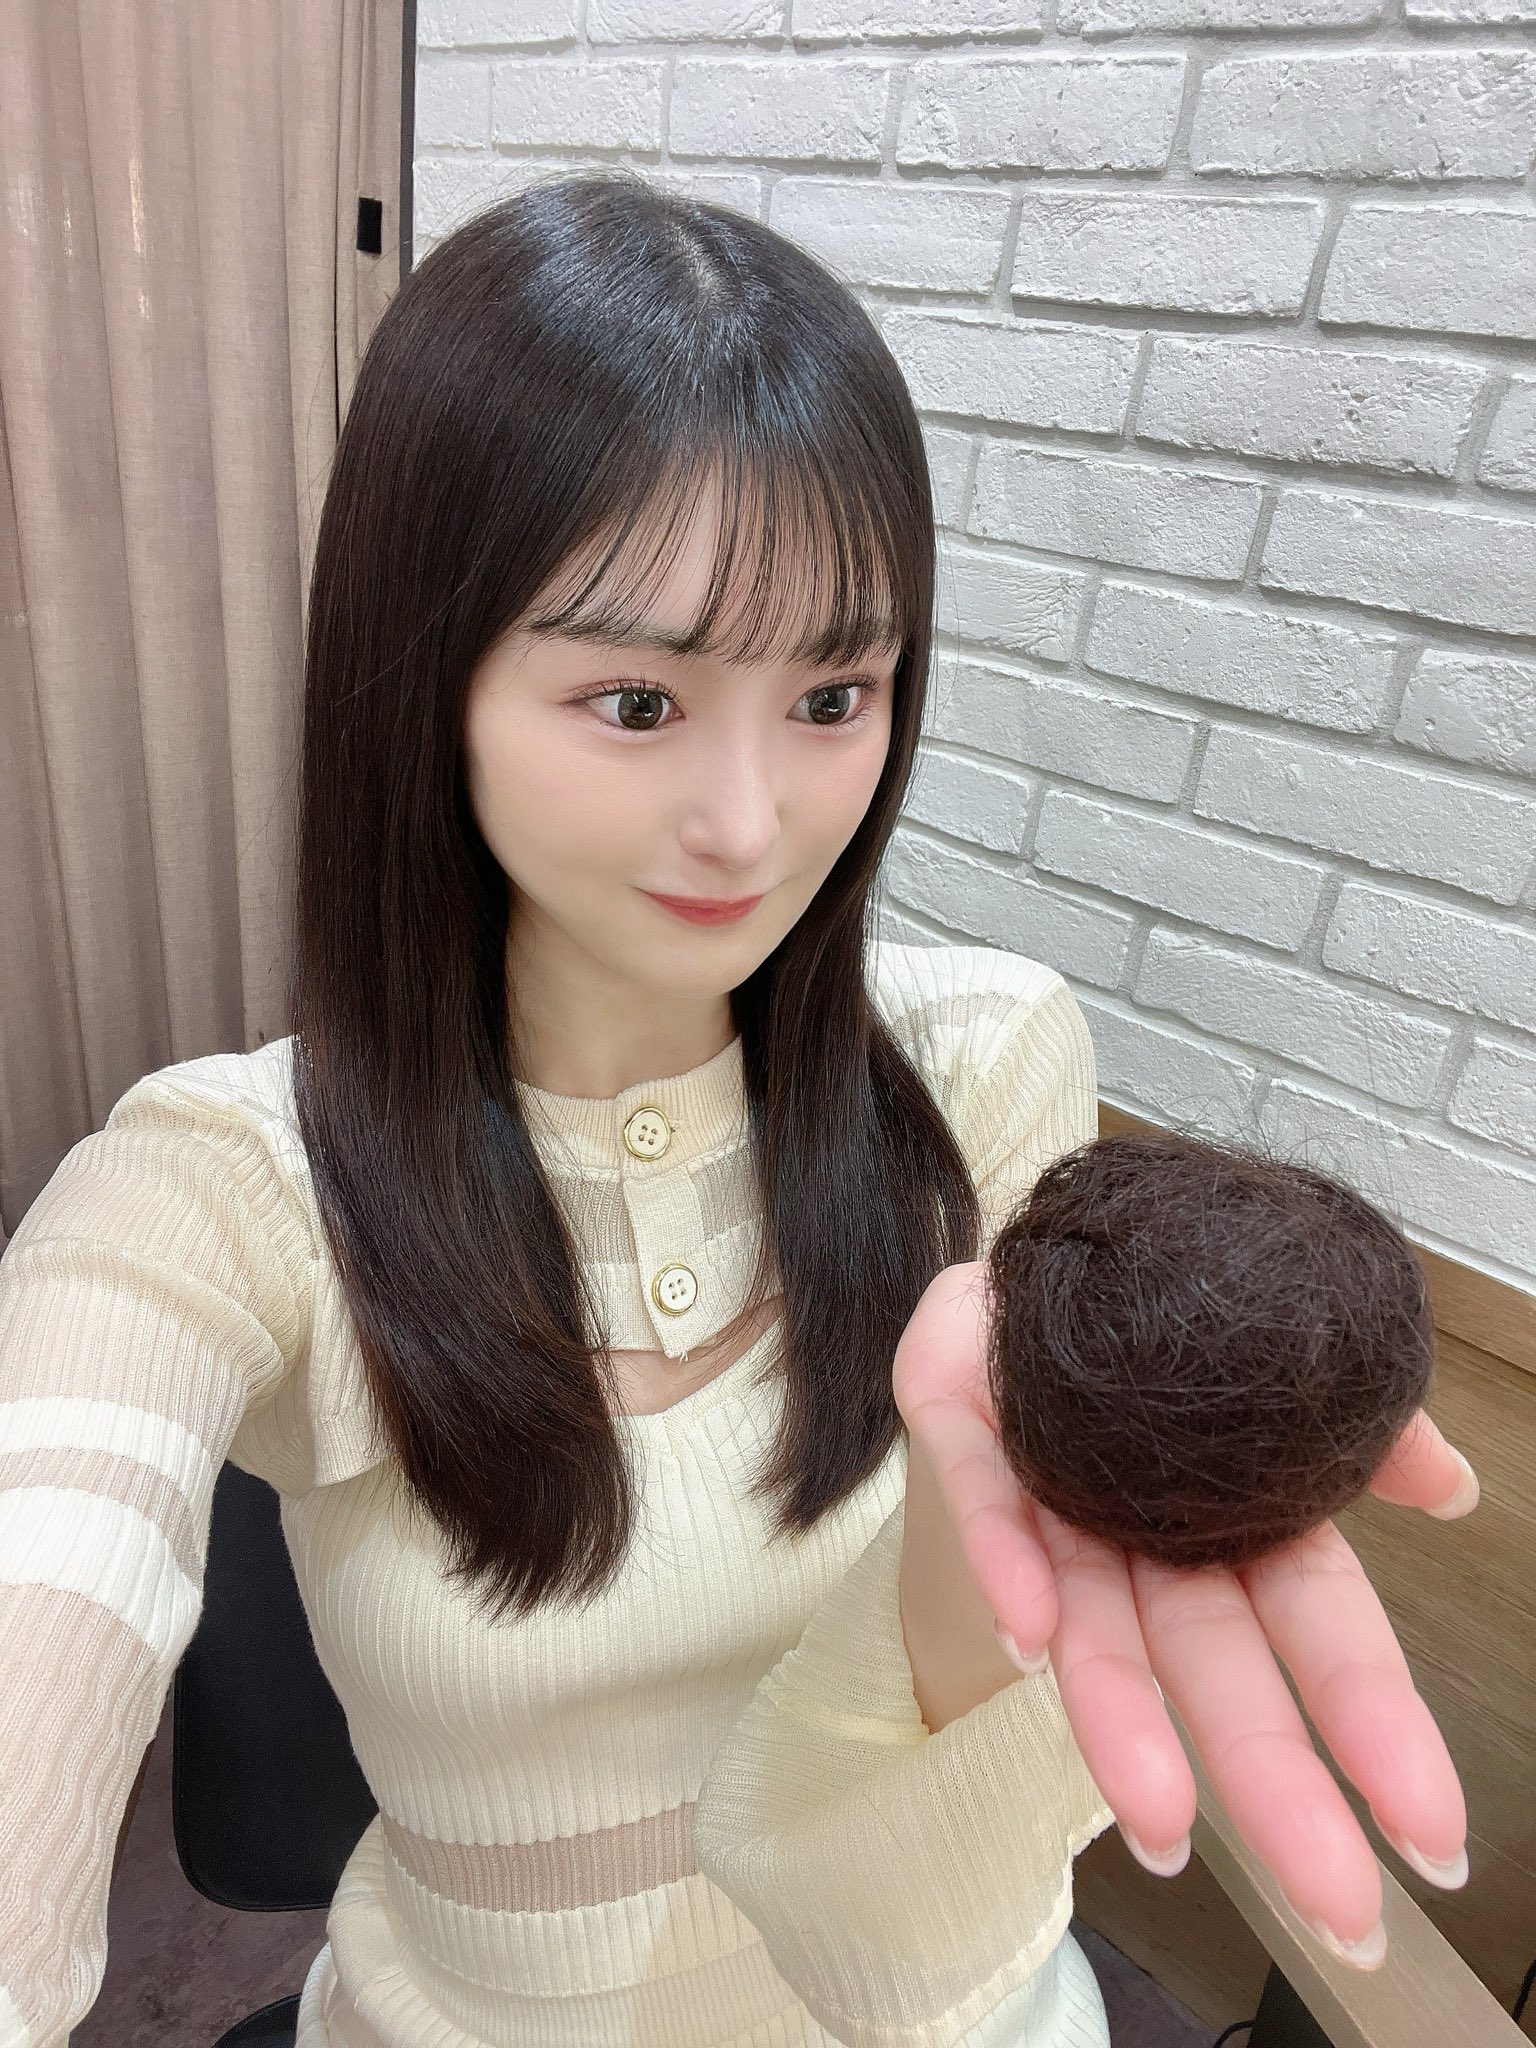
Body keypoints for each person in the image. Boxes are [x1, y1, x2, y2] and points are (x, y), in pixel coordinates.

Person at [0, 170, 1475, 2048]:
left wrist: (1004, 1567)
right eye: (636, 702)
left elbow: (925, 1850)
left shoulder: (987, 1064)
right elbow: (46, 1557)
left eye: (834, 693)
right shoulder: (225, 1189)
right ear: (425, 681)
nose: (752, 824)